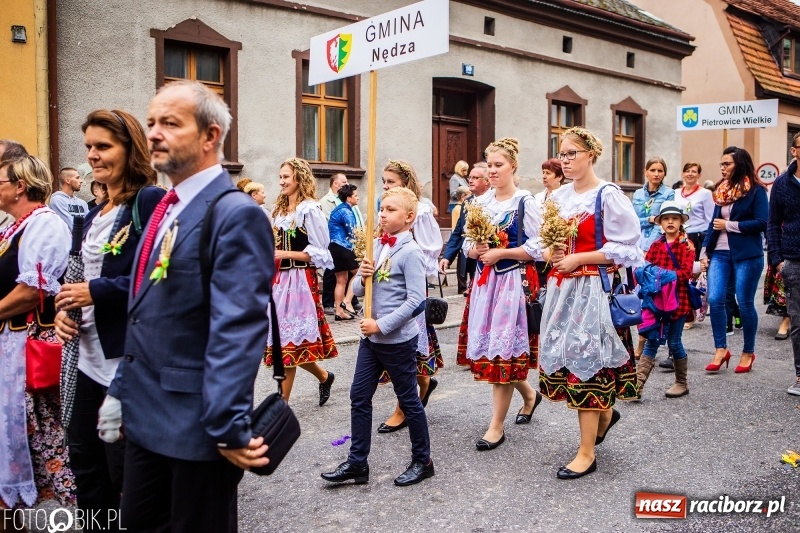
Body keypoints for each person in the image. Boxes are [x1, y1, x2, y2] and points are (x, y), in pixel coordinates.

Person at [100, 80, 274, 531]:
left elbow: (238, 329)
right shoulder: (165, 206)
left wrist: (228, 428)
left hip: (198, 429)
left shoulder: (235, 214)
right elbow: (147, 311)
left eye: (170, 124)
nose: (154, 132)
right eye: (152, 121)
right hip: (146, 417)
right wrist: (121, 390)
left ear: (210, 136)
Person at [51, 109, 165, 531]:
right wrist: (65, 311)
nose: (93, 156)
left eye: (104, 146)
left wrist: (95, 293)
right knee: (85, 466)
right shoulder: (91, 212)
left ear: (130, 148)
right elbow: (77, 277)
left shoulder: (149, 201)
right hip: (85, 360)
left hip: (126, 362)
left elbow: (159, 278)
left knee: (126, 475)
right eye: (89, 148)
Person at [539, 127, 643, 480]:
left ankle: (586, 452)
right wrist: (552, 254)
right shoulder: (557, 197)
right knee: (572, 362)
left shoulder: (607, 195)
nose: (565, 160)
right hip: (562, 290)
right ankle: (604, 415)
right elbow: (547, 244)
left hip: (592, 292)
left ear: (590, 155)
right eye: (562, 154)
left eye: (572, 153)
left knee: (589, 366)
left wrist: (579, 258)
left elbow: (629, 248)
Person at [321, 187, 433, 487]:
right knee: (359, 397)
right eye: (382, 208)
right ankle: (358, 463)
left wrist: (381, 325)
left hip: (395, 340)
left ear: (409, 217)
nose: (383, 214)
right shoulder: (375, 245)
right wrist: (363, 275)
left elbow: (416, 301)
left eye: (391, 210)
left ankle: (423, 461)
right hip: (370, 341)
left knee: (409, 400)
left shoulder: (411, 252)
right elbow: (357, 290)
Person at [0, 156, 73, 517]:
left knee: (40, 428)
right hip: (10, 342)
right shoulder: (15, 226)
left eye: (0, 180)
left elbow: (33, 291)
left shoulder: (45, 225)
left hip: (26, 342)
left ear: (20, 186)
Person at [462, 138, 543, 450]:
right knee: (497, 353)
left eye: (499, 165)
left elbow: (539, 248)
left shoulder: (525, 202)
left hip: (511, 285)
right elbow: (469, 246)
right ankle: (528, 394)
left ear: (513, 167)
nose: (493, 171)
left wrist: (502, 252)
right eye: (489, 165)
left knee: (503, 354)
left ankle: (496, 426)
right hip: (486, 286)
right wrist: (478, 249)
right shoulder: (480, 204)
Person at [376, 160, 444, 433]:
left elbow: (431, 250)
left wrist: (407, 260)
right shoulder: (386, 210)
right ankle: (420, 386)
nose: (385, 186)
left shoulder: (421, 211)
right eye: (384, 181)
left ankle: (405, 403)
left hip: (409, 284)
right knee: (388, 344)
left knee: (408, 344)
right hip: (386, 283)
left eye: (390, 181)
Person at [265, 157, 337, 403]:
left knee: (287, 343)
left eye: (286, 177)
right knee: (287, 342)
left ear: (299, 178)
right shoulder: (280, 209)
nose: (282, 181)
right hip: (279, 280)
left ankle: (280, 405)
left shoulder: (309, 209)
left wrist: (286, 253)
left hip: (299, 280)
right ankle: (325, 376)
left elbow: (322, 251)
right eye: (281, 177)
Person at [700, 146, 767, 375]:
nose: (722, 168)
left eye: (726, 164)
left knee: (745, 302)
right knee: (716, 298)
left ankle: (748, 352)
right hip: (719, 253)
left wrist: (730, 226)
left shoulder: (756, 191)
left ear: (740, 164)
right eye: (721, 164)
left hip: (747, 255)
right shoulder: (721, 190)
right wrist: (704, 251)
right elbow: (713, 223)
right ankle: (721, 349)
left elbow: (762, 222)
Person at [635, 201, 695, 398]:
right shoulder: (656, 244)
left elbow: (686, 273)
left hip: (678, 301)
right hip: (656, 301)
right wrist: (654, 277)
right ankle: (637, 385)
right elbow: (646, 268)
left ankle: (681, 382)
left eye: (674, 218)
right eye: (666, 219)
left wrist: (660, 276)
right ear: (660, 223)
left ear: (681, 222)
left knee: (674, 342)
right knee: (651, 340)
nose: (670, 222)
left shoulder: (686, 245)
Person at [767, 133, 800, 395]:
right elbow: (772, 223)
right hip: (793, 260)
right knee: (798, 321)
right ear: (794, 151)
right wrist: (777, 260)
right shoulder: (781, 184)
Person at [631, 157, 674, 358]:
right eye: (653, 170)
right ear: (646, 172)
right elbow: (632, 220)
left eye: (660, 171)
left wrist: (654, 247)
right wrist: (649, 219)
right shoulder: (638, 194)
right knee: (640, 295)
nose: (657, 174)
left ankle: (649, 342)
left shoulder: (668, 193)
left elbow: (666, 221)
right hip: (638, 248)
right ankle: (644, 338)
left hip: (658, 249)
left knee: (654, 295)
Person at [670, 162, 715, 337]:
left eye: (694, 172)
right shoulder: (675, 193)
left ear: (699, 175)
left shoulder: (705, 194)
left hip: (697, 236)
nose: (690, 174)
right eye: (687, 171)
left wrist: (708, 244)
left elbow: (711, 219)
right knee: (682, 274)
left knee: (694, 275)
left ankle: (693, 312)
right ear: (682, 174)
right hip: (681, 236)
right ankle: (686, 312)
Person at [440, 162, 490, 297]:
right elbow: (458, 232)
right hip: (470, 255)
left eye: (475, 177)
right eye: (470, 177)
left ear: (487, 181)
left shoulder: (495, 201)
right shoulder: (467, 202)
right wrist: (447, 257)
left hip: (489, 260)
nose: (470, 180)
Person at [328, 184, 360, 321]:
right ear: (349, 198)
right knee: (358, 273)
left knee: (341, 280)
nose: (357, 198)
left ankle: (339, 311)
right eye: (356, 195)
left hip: (334, 247)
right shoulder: (346, 211)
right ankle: (347, 301)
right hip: (343, 246)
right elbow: (353, 232)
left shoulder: (339, 209)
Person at [534, 158, 567, 286]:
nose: (544, 176)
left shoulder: (565, 198)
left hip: (555, 253)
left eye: (548, 173)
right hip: (537, 253)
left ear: (559, 177)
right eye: (543, 172)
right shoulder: (537, 198)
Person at [321, 173, 349, 315]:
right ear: (335, 184)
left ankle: (348, 301)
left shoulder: (346, 198)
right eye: (344, 182)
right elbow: (326, 221)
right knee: (331, 271)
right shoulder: (326, 201)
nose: (347, 184)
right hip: (334, 240)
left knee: (346, 271)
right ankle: (327, 302)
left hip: (347, 240)